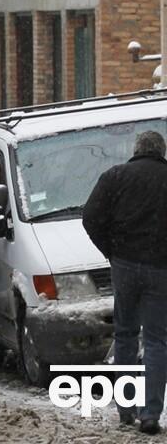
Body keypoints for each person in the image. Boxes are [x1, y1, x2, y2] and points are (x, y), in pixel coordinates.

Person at [83, 130, 167, 435]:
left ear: (137, 150)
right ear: (162, 152)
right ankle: (151, 414)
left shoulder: (115, 176)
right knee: (157, 341)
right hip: (161, 269)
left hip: (125, 266)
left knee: (126, 335)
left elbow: (90, 217)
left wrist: (112, 250)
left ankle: (125, 409)